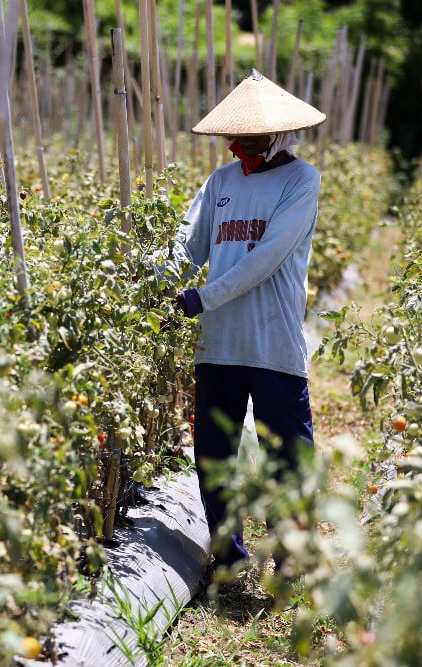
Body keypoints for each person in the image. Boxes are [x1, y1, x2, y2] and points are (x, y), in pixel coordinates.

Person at [157, 70, 326, 572]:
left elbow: (266, 258)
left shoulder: (301, 180)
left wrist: (200, 299)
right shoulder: (220, 183)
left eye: (255, 136)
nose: (245, 144)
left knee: (287, 462)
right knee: (214, 457)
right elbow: (186, 247)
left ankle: (291, 563)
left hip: (273, 343)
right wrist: (150, 284)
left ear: (279, 134)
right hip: (219, 344)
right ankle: (227, 557)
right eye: (239, 136)